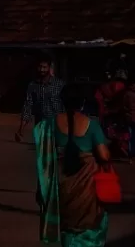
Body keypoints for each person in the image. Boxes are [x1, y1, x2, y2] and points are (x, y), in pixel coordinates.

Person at [35, 82, 110, 246]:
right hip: (87, 191)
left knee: (68, 228)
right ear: (82, 102)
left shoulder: (50, 124)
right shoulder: (92, 125)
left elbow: (45, 158)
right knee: (91, 224)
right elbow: (104, 157)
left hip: (62, 189)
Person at [18, 57, 66, 142]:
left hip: (57, 126)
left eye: (44, 67)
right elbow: (27, 106)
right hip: (40, 126)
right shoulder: (33, 85)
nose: (41, 70)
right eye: (40, 67)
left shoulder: (59, 84)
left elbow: (66, 105)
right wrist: (21, 129)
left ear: (49, 68)